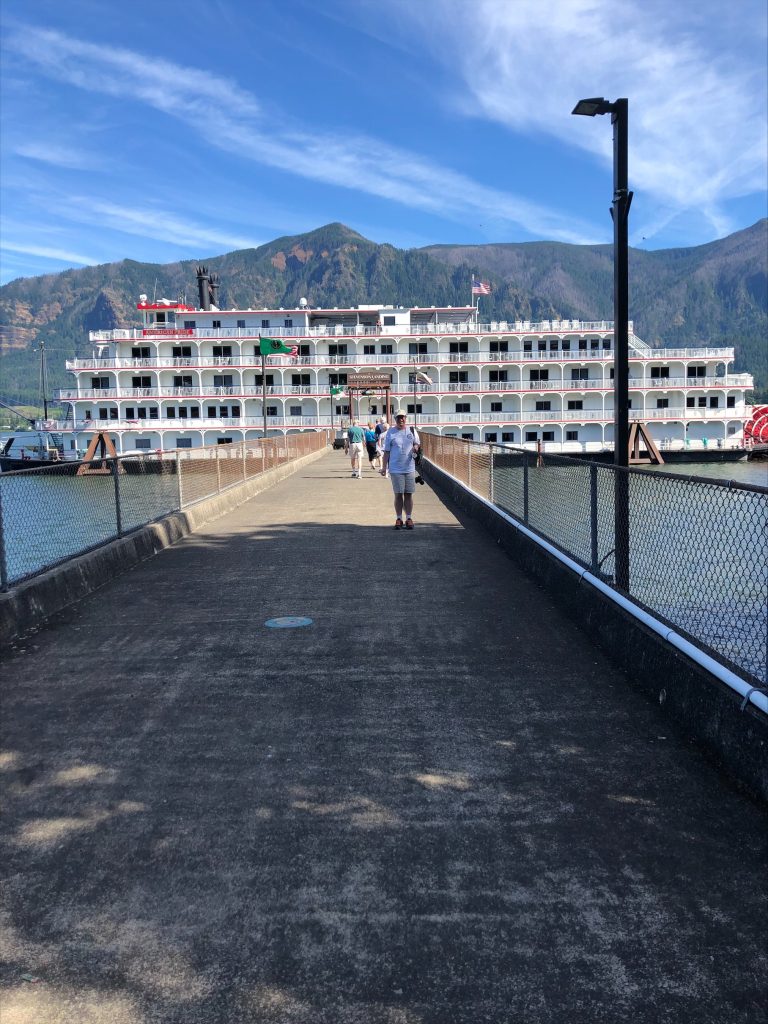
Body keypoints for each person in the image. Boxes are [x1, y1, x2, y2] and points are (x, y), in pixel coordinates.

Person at [381, 411, 420, 529]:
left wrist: (416, 447)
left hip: (409, 468)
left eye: (403, 417)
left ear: (405, 418)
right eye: (398, 418)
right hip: (395, 469)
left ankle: (408, 518)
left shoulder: (412, 431)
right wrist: (384, 467)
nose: (401, 419)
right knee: (398, 494)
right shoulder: (390, 432)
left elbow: (417, 444)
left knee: (408, 494)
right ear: (395, 419)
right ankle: (399, 518)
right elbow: (386, 451)